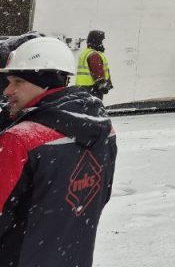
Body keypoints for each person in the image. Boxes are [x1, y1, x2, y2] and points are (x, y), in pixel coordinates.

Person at [0, 36, 117, 267]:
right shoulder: (104, 129)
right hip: (73, 255)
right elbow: (101, 196)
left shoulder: (20, 139)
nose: (7, 91)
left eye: (18, 82)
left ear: (45, 83)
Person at [75, 29, 113, 102]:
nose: (102, 44)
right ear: (96, 42)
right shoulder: (94, 55)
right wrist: (103, 86)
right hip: (92, 89)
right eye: (101, 41)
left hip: (82, 88)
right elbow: (97, 72)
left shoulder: (85, 53)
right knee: (93, 108)